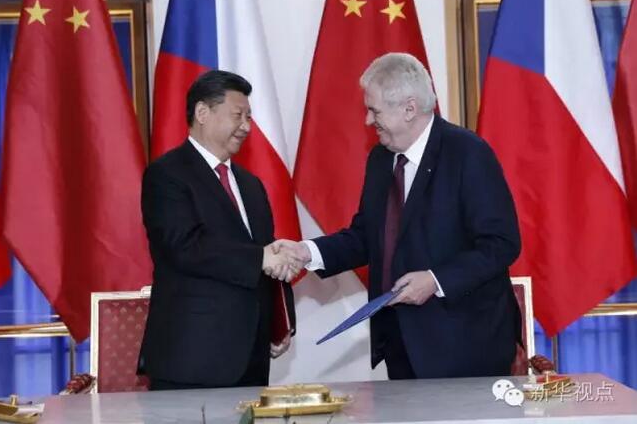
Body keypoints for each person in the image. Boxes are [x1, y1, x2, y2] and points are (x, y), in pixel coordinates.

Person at [279, 53, 522, 379]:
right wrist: (307, 252)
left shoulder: (468, 153)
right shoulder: (381, 159)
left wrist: (435, 280)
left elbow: (501, 244)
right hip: (400, 343)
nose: (368, 120)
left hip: (466, 345)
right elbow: (367, 236)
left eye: (375, 110)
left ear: (409, 109)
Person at [138, 70, 299, 390]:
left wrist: (281, 321)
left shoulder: (251, 185)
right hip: (192, 359)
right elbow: (184, 246)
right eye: (238, 115)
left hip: (252, 356)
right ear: (202, 113)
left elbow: (265, 255)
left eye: (249, 117)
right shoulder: (166, 174)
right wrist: (261, 258)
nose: (247, 127)